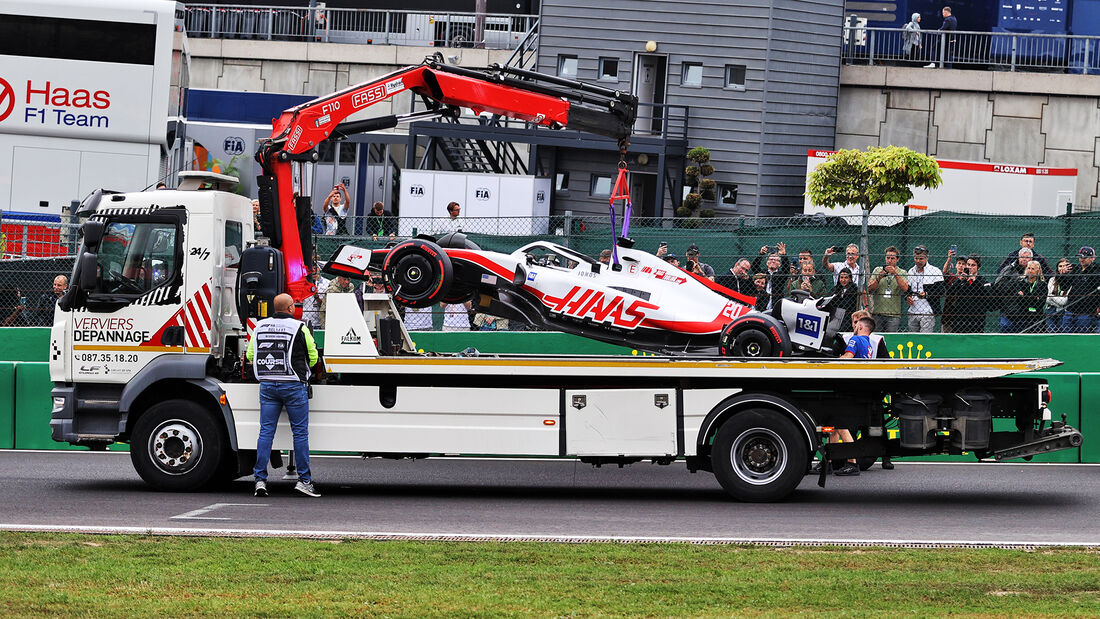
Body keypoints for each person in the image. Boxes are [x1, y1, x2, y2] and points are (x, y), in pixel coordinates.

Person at [247, 293, 320, 498]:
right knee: (299, 433)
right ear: (290, 308)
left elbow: (251, 355)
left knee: (266, 432)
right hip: (293, 386)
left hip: (268, 385)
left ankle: (260, 480)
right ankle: (304, 481)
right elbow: (313, 357)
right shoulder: (300, 327)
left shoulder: (260, 326)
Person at [1058, 246, 1100, 333]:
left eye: (1084, 257)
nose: (1082, 259)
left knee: (1082, 335)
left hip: (1086, 311)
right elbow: (1064, 287)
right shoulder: (1076, 269)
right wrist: (1063, 275)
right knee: (1066, 334)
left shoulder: (1096, 271)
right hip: (1071, 309)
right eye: (1080, 257)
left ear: (1092, 258)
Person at [867, 246, 909, 332]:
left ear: (897, 259)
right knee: (877, 338)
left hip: (894, 314)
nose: (889, 260)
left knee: (891, 338)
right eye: (888, 258)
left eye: (892, 258)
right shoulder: (877, 270)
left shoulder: (902, 272)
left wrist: (895, 274)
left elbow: (905, 288)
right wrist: (879, 278)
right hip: (878, 312)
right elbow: (870, 289)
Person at [906, 245, 944, 333]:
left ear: (927, 258)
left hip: (928, 311)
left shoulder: (935, 271)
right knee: (913, 338)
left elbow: (941, 290)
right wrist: (907, 298)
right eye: (916, 258)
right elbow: (907, 290)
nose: (918, 261)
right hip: (913, 310)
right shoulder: (911, 271)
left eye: (921, 259)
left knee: (925, 338)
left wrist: (927, 294)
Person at [950, 255, 990, 333]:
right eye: (968, 265)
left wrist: (975, 281)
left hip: (977, 320)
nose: (970, 267)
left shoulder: (982, 280)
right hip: (959, 320)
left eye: (973, 265)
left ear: (978, 267)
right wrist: (959, 280)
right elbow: (950, 293)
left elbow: (987, 295)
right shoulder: (961, 279)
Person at [1007, 260, 1047, 334]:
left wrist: (1024, 296)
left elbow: (1040, 303)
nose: (1030, 271)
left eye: (1033, 269)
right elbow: (1019, 301)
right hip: (1022, 317)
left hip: (1037, 318)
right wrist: (1034, 298)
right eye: (1028, 268)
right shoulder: (1020, 282)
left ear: (1038, 271)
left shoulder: (1043, 285)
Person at [752, 243, 789, 311]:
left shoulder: (781, 275)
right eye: (771, 259)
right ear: (767, 262)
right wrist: (761, 254)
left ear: (780, 264)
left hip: (775, 305)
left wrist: (784, 255)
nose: (773, 261)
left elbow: (786, 269)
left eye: (776, 260)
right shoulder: (762, 272)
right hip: (761, 305)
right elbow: (754, 267)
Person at [1046, 258, 1072, 333]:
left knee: (1061, 332)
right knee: (1051, 333)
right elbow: (1047, 299)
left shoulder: (1072, 279)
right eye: (1060, 266)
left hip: (1063, 311)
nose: (1062, 268)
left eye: (1065, 266)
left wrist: (1052, 297)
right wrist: (1057, 299)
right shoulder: (1052, 279)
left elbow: (1064, 301)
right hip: (1050, 310)